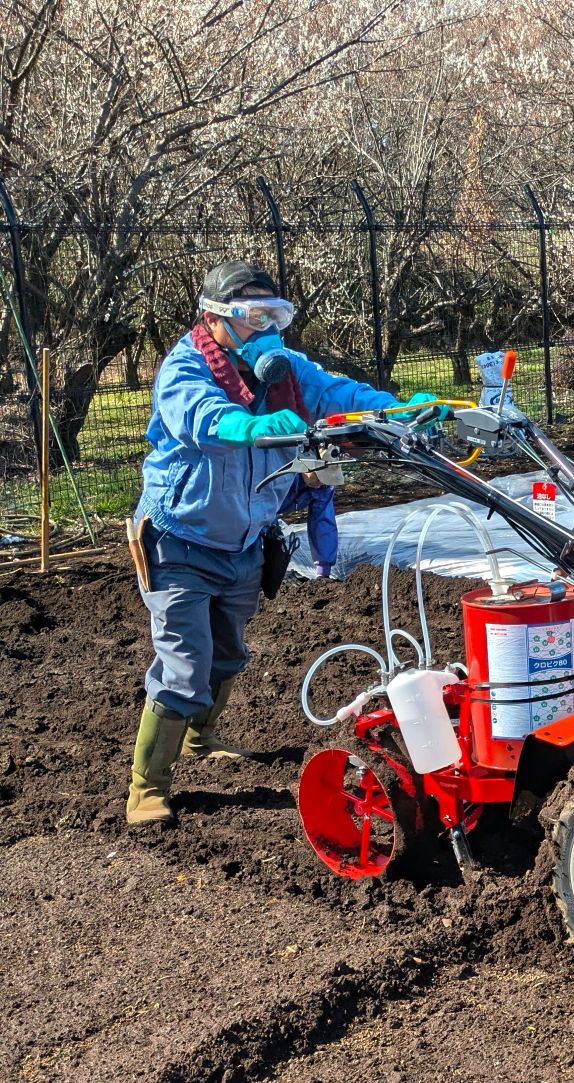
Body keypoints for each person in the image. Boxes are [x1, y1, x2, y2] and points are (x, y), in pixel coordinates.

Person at [125, 260, 440, 827]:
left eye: (275, 315)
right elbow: (200, 417)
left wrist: (396, 409)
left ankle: (201, 738)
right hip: (179, 541)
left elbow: (338, 394)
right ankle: (147, 789)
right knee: (184, 665)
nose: (266, 328)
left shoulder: (286, 371)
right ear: (215, 318)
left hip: (246, 540)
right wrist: (248, 427)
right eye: (253, 316)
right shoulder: (183, 367)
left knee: (228, 653)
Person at [282, 472, 338, 577]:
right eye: (317, 478)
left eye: (323, 480)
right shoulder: (282, 477)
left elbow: (322, 521)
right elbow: (259, 510)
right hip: (259, 506)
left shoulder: (324, 485)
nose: (318, 485)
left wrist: (323, 569)